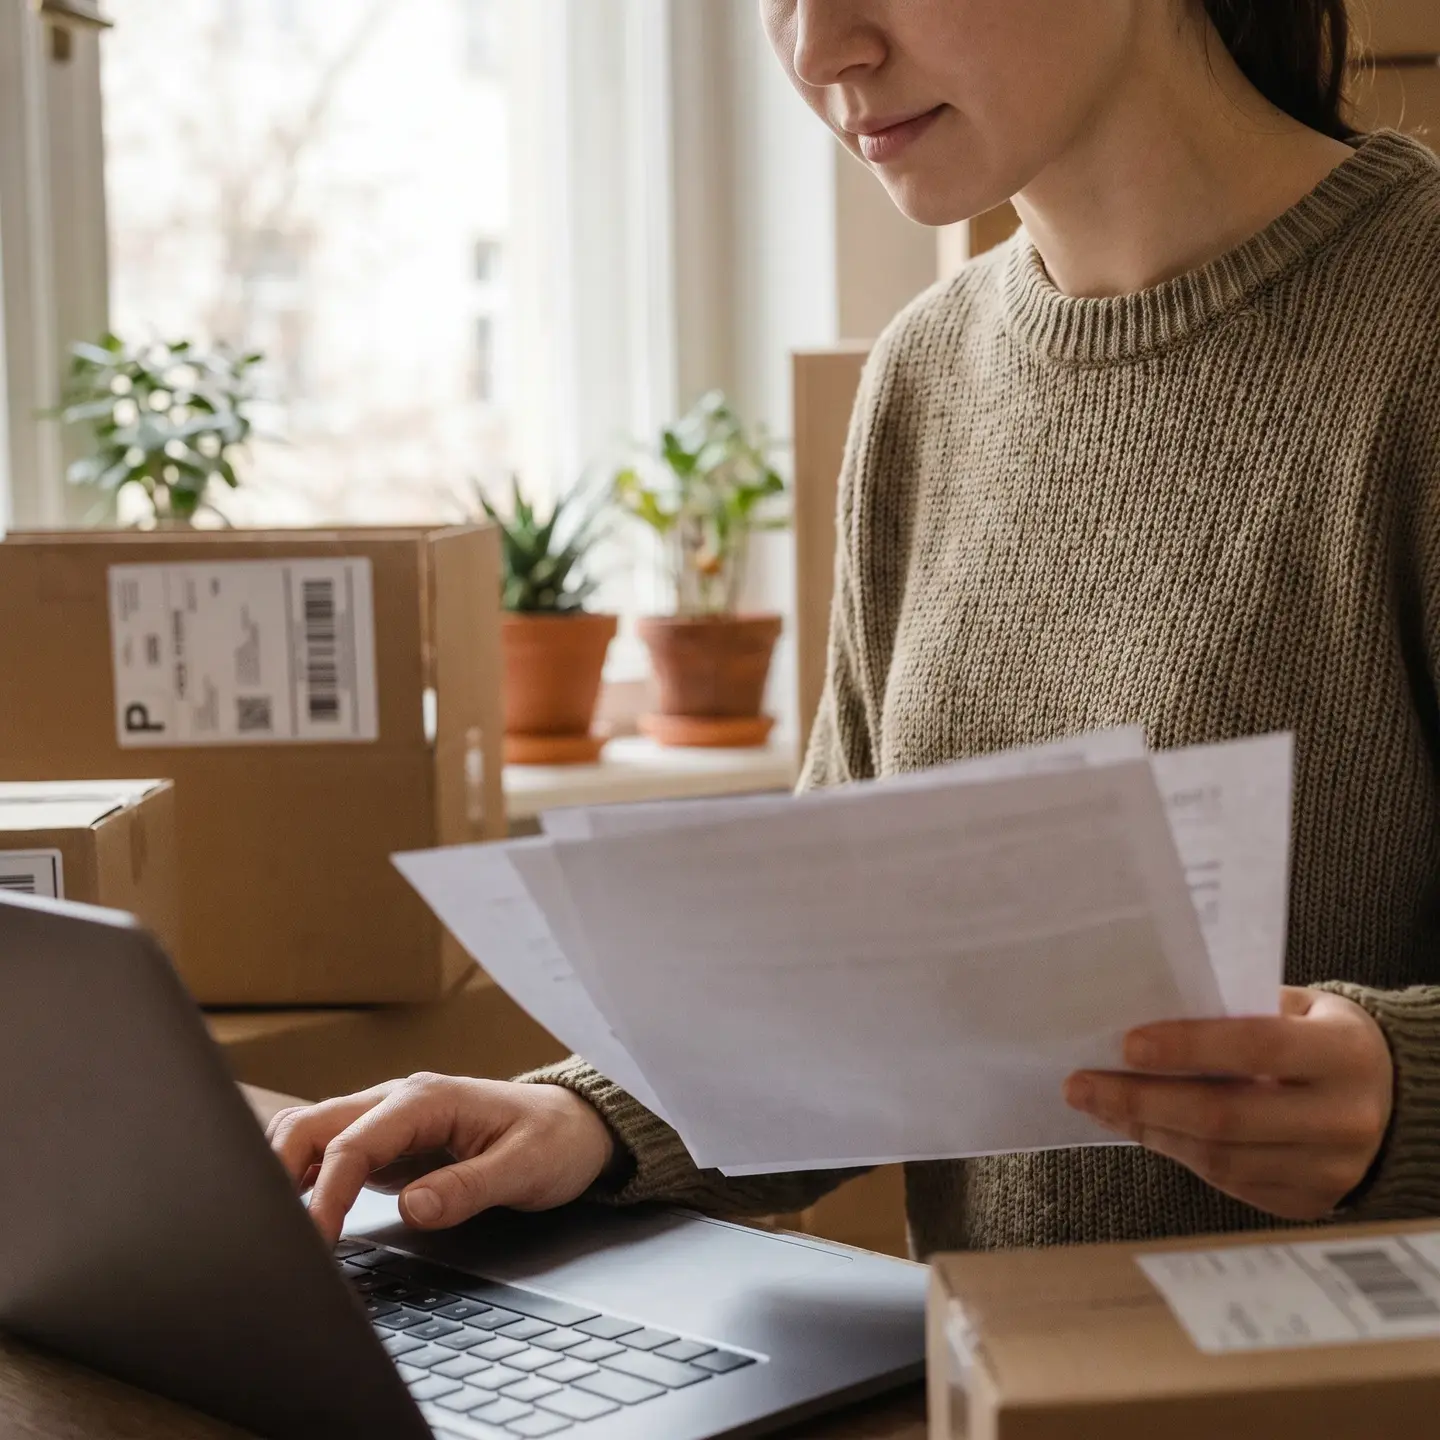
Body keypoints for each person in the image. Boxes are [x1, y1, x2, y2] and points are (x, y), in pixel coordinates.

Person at [270, 0, 1440, 1257]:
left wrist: (1403, 1092)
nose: (822, 50)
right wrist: (586, 1117)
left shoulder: (1413, 327)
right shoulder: (927, 374)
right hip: (997, 1388)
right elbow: (863, 987)